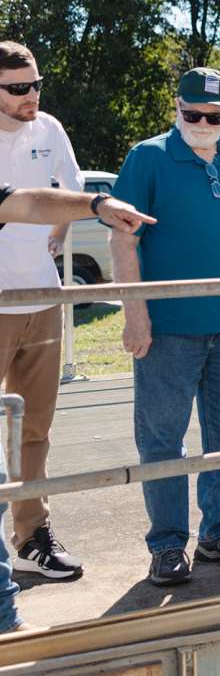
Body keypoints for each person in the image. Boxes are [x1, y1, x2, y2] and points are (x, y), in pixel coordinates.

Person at [111, 67, 220, 587]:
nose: (203, 123)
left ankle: (219, 532)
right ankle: (167, 545)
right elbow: (124, 242)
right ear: (176, 110)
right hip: (167, 330)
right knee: (162, 439)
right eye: (193, 114)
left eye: (214, 116)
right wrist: (135, 313)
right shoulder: (148, 158)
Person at [0, 182, 152, 632]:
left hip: (35, 302)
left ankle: (6, 616)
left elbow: (26, 201)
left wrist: (96, 204)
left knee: (29, 434)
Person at [0, 41, 87, 583]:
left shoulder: (49, 128)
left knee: (36, 430)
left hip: (43, 298)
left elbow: (72, 188)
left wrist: (59, 229)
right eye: (17, 88)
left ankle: (31, 536)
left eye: (35, 84)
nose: (31, 95)